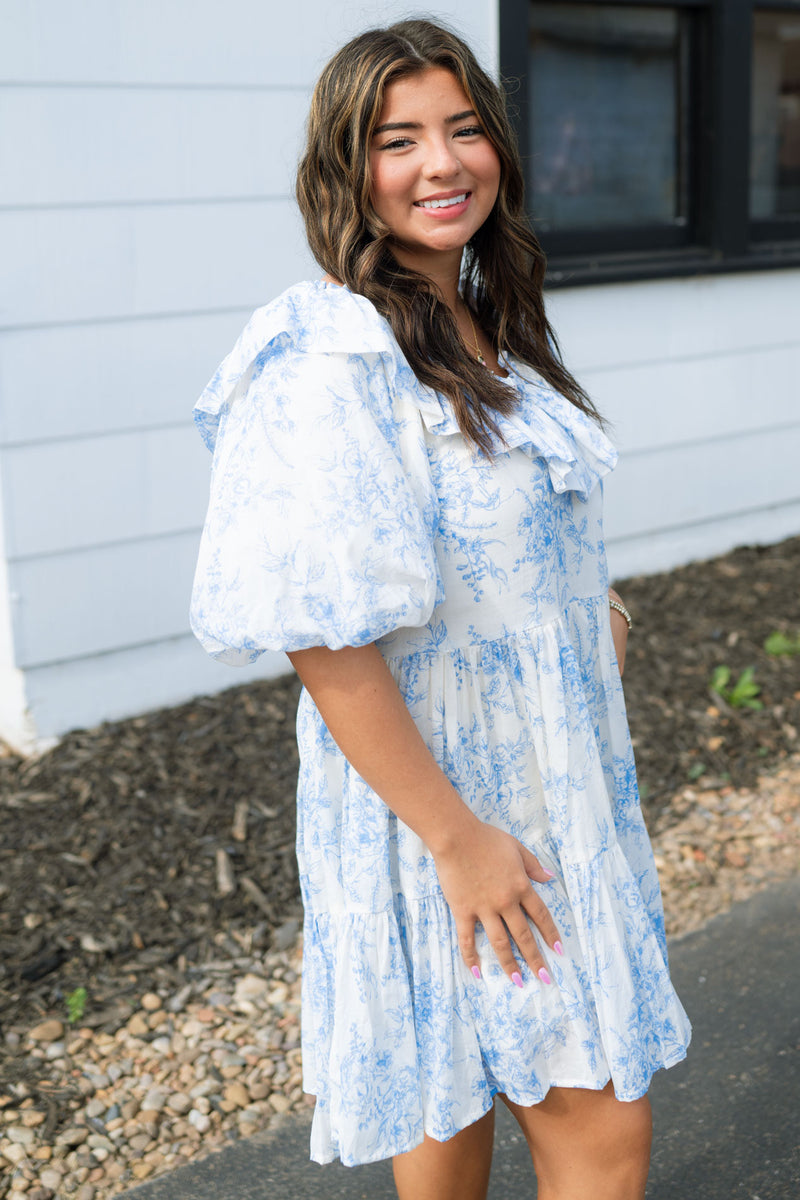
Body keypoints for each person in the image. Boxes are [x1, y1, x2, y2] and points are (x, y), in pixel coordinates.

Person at [190, 17, 691, 1200]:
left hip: (543, 782)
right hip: (449, 808)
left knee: (449, 1108)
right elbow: (323, 630)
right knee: (596, 1127)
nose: (441, 163)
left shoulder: (478, 314)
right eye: (396, 139)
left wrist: (589, 609)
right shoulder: (328, 355)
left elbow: (487, 520)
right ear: (344, 170)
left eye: (464, 129)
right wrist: (459, 844)